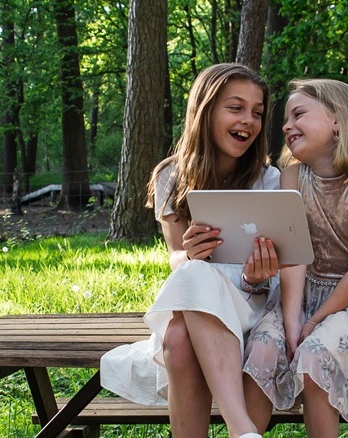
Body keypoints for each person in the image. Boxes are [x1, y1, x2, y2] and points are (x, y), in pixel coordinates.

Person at [100, 63, 281, 438]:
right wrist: (189, 253)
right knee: (180, 332)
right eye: (236, 107)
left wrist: (253, 275)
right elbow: (176, 258)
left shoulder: (269, 179)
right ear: (206, 109)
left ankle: (240, 429)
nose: (248, 120)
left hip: (253, 303)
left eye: (257, 112)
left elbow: (278, 271)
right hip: (198, 301)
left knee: (192, 287)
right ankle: (242, 431)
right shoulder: (171, 176)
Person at [242, 78, 348, 437]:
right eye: (285, 119)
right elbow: (294, 257)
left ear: (338, 121)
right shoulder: (292, 178)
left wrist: (314, 322)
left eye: (298, 114)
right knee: (262, 348)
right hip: (298, 296)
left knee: (317, 353)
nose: (286, 125)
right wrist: (290, 321)